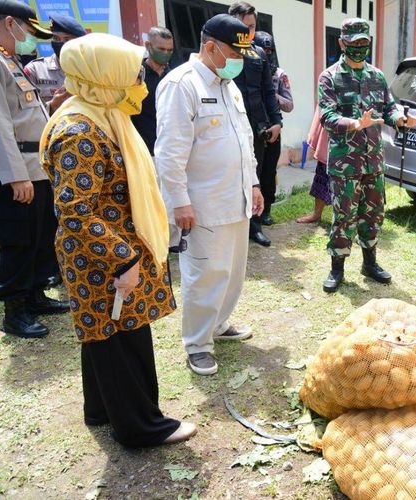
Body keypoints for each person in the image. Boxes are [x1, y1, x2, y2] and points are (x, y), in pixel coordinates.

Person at [39, 32, 195, 446]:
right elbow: (76, 212)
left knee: (103, 335)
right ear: (103, 77)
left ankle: (102, 410)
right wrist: (123, 260)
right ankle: (141, 426)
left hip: (103, 251)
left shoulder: (100, 114)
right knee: (123, 339)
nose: (139, 83)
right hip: (103, 257)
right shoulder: (81, 131)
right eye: (132, 75)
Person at [155, 14, 263, 376]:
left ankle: (219, 324)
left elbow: (243, 139)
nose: (241, 60)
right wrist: (179, 201)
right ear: (211, 47)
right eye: (236, 52)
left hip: (236, 200)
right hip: (201, 205)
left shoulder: (226, 84)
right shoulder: (181, 85)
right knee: (204, 275)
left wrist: (254, 184)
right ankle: (198, 344)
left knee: (232, 272)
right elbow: (169, 152)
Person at [318, 18, 416, 293]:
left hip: (373, 160)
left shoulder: (376, 76)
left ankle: (370, 263)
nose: (359, 48)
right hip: (346, 162)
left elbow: (389, 107)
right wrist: (354, 124)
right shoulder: (330, 77)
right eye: (354, 44)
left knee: (374, 213)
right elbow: (327, 116)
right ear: (342, 43)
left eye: (364, 43)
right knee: (344, 216)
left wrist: (402, 119)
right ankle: (337, 268)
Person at [0, 0, 69, 339]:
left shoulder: (11, 61)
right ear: (10, 23)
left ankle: (36, 295)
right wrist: (16, 175)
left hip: (37, 167)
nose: (31, 37)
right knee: (19, 241)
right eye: (28, 29)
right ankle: (15, 311)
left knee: (41, 236)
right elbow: (0, 125)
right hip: (20, 172)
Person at [229, 2, 281, 247]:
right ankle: (233, 227)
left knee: (256, 176)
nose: (250, 32)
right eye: (245, 27)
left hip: (256, 125)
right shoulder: (225, 52)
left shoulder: (258, 53)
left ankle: (254, 226)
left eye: (253, 27)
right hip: (229, 124)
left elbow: (268, 92)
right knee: (231, 176)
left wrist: (276, 122)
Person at [253, 30, 292, 226]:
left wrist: (272, 95)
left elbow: (289, 105)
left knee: (269, 172)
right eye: (263, 49)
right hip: (252, 130)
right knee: (254, 173)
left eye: (269, 50)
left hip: (273, 131)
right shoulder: (247, 69)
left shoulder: (279, 74)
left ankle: (266, 209)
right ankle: (252, 216)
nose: (266, 54)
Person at [23, 14, 85, 113]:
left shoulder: (90, 71)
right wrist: (51, 107)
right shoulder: (35, 70)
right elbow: (24, 115)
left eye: (67, 39)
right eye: (56, 38)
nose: (60, 43)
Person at [131, 26, 173, 156]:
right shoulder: (135, 76)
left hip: (169, 151)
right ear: (148, 45)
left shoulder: (175, 77)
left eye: (169, 50)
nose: (165, 53)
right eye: (161, 49)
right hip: (142, 151)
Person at [296, 108, 331, 224]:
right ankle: (316, 214)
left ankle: (350, 219)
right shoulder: (329, 91)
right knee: (322, 174)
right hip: (331, 131)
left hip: (353, 139)